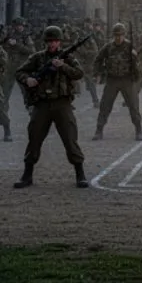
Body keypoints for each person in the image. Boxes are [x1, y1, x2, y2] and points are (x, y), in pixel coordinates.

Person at [13, 26, 88, 189]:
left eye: (55, 41)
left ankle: (80, 174)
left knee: (70, 138)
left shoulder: (67, 58)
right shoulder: (37, 58)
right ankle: (27, 175)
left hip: (62, 103)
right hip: (42, 104)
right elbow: (19, 72)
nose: (52, 44)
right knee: (34, 137)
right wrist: (28, 80)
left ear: (59, 42)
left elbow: (79, 73)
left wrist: (63, 66)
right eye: (49, 41)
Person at [93, 23, 142, 140]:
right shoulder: (108, 47)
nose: (118, 38)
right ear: (113, 35)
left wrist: (135, 58)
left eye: (121, 35)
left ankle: (139, 129)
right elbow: (98, 59)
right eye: (116, 35)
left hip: (127, 80)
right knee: (105, 105)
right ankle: (99, 129)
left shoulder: (130, 46)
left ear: (124, 35)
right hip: (112, 80)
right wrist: (98, 73)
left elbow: (139, 64)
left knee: (133, 105)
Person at [2, 18, 36, 103]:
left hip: (22, 66)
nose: (20, 27)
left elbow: (31, 51)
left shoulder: (26, 37)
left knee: (25, 89)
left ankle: (30, 108)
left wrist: (16, 44)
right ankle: (3, 110)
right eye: (18, 25)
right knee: (5, 89)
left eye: (21, 25)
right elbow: (2, 48)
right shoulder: (9, 36)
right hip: (10, 66)